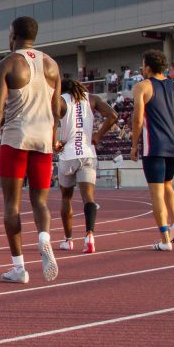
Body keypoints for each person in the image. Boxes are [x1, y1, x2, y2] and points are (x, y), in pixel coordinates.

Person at [0, 16, 61, 284]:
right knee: (40, 201)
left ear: (12, 35)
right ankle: (44, 238)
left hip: (16, 139)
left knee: (11, 205)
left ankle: (19, 267)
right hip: (44, 139)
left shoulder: (7, 64)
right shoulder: (52, 65)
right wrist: (54, 138)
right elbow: (57, 109)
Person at [129, 49, 174, 251]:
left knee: (156, 193)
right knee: (168, 186)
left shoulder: (142, 87)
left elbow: (138, 119)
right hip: (173, 145)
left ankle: (165, 239)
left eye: (142, 64)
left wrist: (134, 146)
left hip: (154, 146)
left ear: (147, 66)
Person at [54, 78, 118, 253]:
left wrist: (55, 143)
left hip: (68, 155)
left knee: (66, 198)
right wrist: (97, 135)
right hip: (87, 153)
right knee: (88, 198)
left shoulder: (61, 101)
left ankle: (68, 240)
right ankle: (89, 234)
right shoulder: (92, 99)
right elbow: (113, 116)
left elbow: (52, 122)